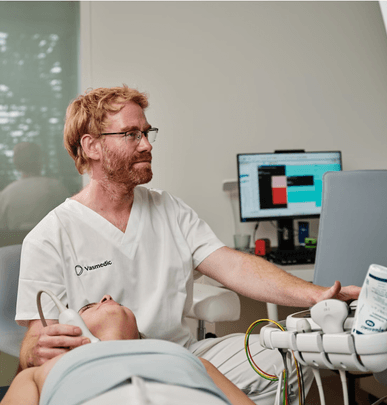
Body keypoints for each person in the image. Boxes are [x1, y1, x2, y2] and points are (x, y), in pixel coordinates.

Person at [15, 85, 360, 404]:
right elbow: (33, 346)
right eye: (131, 134)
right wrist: (36, 352)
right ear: (92, 146)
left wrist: (316, 295)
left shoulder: (170, 210)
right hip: (106, 367)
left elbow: (235, 266)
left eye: (147, 132)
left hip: (182, 353)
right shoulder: (50, 236)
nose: (146, 145)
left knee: (289, 360)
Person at [2, 295, 254, 405]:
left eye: (119, 303)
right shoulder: (37, 374)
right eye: (88, 306)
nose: (107, 297)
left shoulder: (188, 359)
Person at [0, 141, 70, 232]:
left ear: (16, 163)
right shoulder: (56, 188)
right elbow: (70, 224)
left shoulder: (5, 195)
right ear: (40, 161)